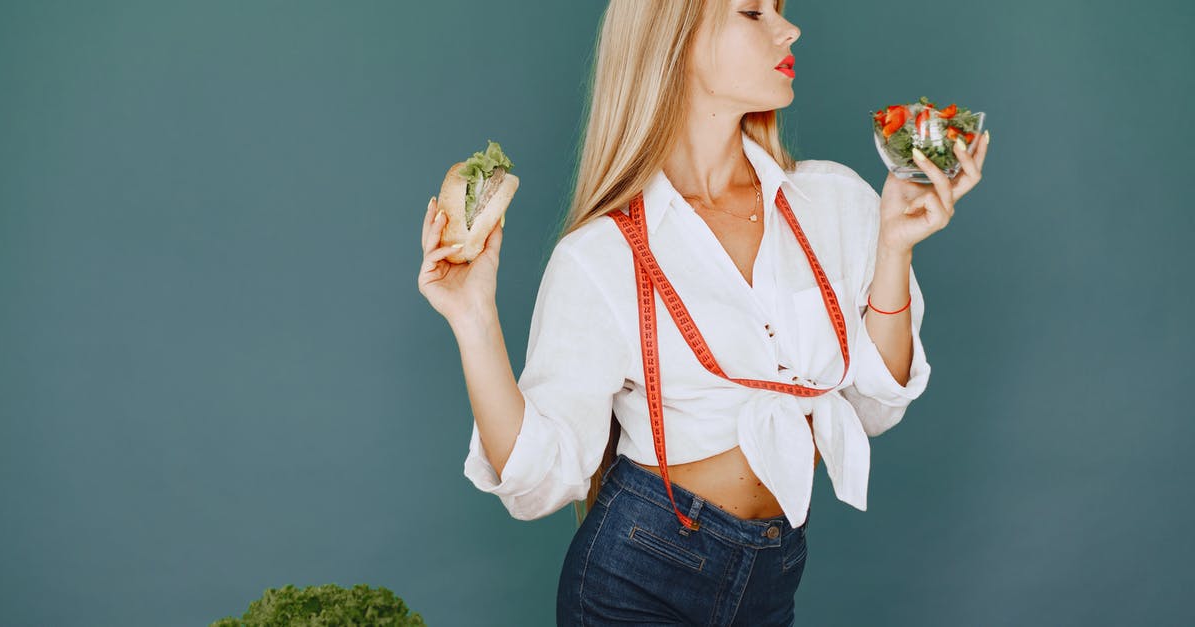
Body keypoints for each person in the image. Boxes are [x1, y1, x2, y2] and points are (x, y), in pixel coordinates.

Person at [418, 1, 988, 624]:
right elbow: (541, 482)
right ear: (677, 39)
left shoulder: (835, 201)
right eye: (751, 11)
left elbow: (875, 406)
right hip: (637, 578)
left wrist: (894, 248)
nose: (788, 28)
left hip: (772, 572)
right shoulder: (603, 253)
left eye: (781, 9)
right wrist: (473, 319)